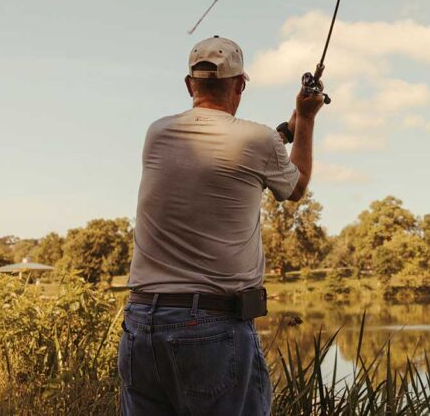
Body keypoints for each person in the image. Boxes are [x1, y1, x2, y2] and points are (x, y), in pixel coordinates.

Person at [117, 35, 323, 415]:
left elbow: (234, 154)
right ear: (241, 84)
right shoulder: (257, 141)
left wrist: (286, 129)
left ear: (188, 84)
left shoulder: (158, 134)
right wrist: (306, 120)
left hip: (142, 323)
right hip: (209, 327)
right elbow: (296, 187)